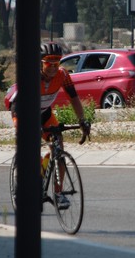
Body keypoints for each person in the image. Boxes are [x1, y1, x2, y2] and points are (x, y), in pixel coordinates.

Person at [6, 42, 90, 208]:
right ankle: (20, 182)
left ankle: (58, 194)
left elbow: (74, 98)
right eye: (48, 63)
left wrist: (82, 120)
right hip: (23, 112)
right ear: (40, 63)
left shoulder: (63, 75)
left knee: (58, 146)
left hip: (44, 114)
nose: (52, 67)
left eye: (56, 63)